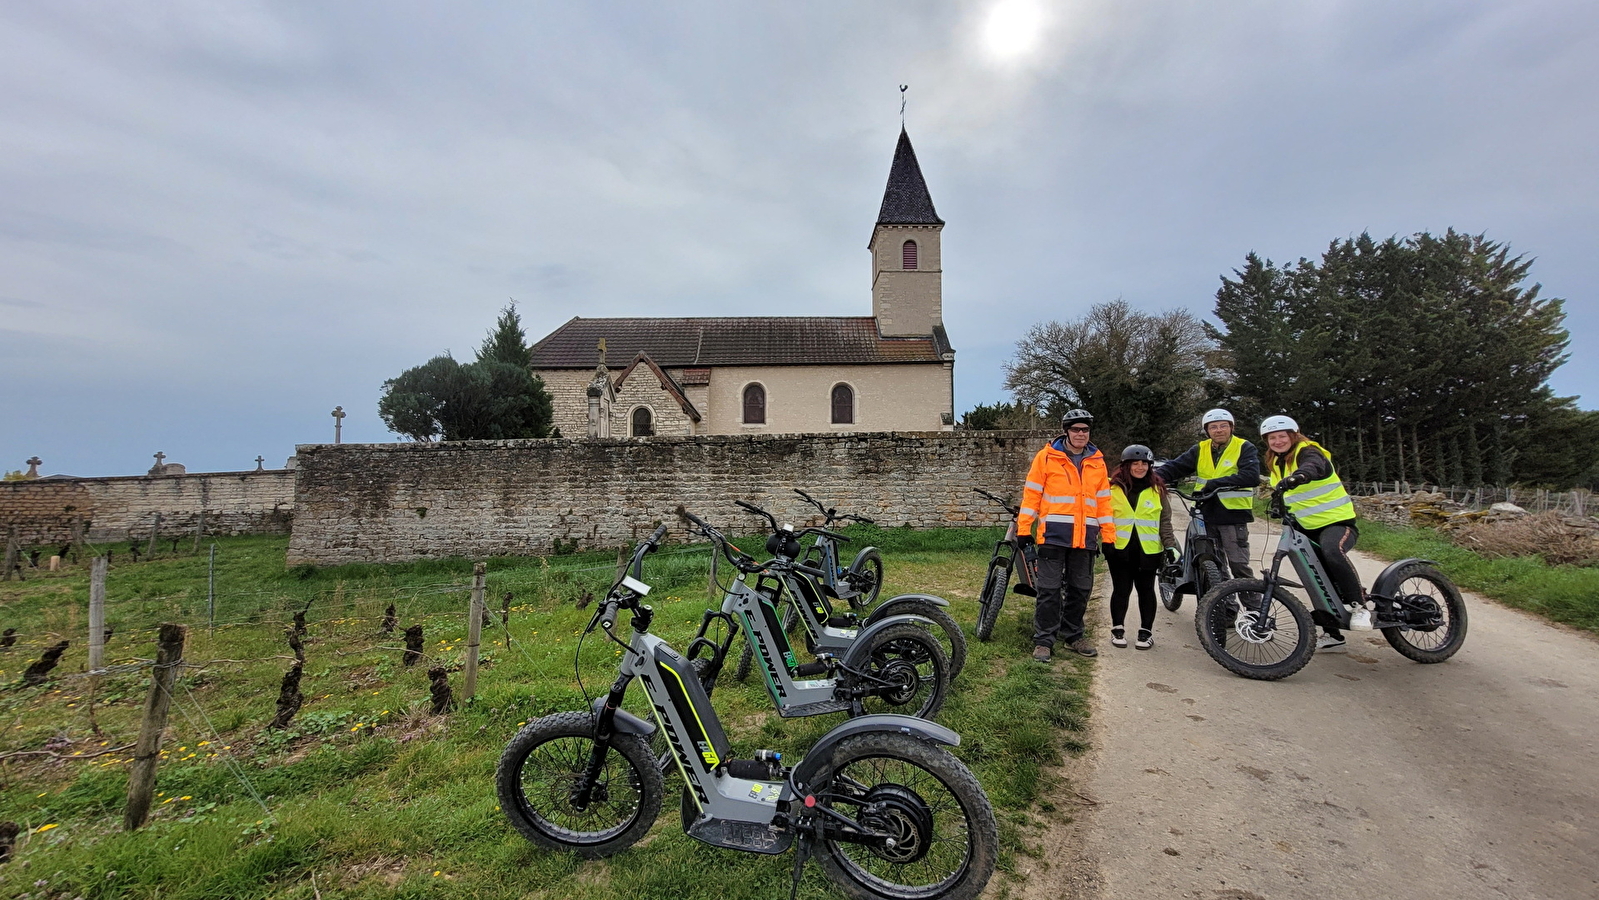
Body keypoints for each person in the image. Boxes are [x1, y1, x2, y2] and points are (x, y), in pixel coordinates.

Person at [1017, 409, 1115, 661]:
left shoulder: (1097, 461)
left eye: (1085, 429)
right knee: (1048, 590)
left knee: (1080, 588)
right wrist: (1024, 529)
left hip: (1085, 537)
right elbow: (1032, 495)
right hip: (1053, 535)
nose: (1080, 434)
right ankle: (1044, 640)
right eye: (1075, 429)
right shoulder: (1047, 457)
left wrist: (1109, 537)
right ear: (1066, 431)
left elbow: (1104, 502)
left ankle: (1073, 635)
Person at [1259, 414, 1361, 650]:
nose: (1277, 441)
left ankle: (1359, 606)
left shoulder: (1309, 450)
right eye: (1272, 438)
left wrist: (1299, 476)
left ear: (1293, 435)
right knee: (1314, 574)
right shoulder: (1276, 461)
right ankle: (1333, 633)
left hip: (1336, 522)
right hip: (1305, 526)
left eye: (1282, 436)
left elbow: (1313, 467)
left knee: (1332, 552)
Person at [1155, 408, 1259, 580]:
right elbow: (1175, 467)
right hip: (1205, 514)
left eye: (1223, 426)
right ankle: (1225, 606)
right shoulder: (1200, 449)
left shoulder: (1244, 447)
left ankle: (1252, 606)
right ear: (1207, 430)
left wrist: (1214, 484)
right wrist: (1150, 479)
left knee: (1239, 565)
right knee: (1215, 566)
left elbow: (1251, 476)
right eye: (1213, 427)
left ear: (1231, 427)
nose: (1218, 430)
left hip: (1233, 517)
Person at [1104, 445, 1178, 650]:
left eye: (1144, 463)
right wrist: (1103, 542)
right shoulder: (1112, 488)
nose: (1140, 467)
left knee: (1146, 590)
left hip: (1148, 550)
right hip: (1119, 549)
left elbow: (1165, 521)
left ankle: (1145, 632)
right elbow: (1103, 517)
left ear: (1150, 466)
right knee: (1121, 589)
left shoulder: (1158, 490)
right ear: (1125, 466)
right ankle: (1117, 629)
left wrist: (1170, 546)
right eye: (1135, 463)